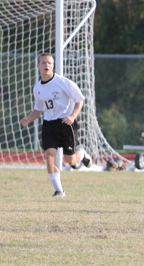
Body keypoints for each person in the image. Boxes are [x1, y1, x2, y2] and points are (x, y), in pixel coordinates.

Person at [20, 53, 92, 198]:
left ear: (53, 66)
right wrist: (28, 119)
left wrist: (72, 116)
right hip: (49, 125)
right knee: (49, 155)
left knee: (70, 161)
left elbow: (80, 99)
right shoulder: (37, 88)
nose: (47, 65)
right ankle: (59, 191)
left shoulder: (63, 82)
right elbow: (38, 109)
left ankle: (82, 154)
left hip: (65, 123)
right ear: (38, 66)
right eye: (43, 63)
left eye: (49, 63)